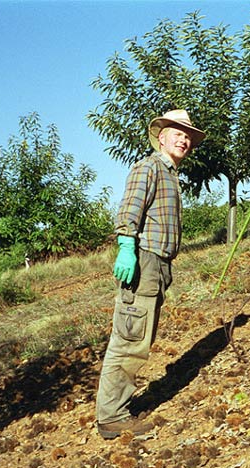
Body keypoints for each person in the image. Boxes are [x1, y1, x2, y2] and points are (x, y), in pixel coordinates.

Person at [95, 109, 206, 439]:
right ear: (161, 137)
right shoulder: (149, 167)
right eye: (178, 133)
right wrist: (126, 246)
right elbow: (130, 209)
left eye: (188, 136)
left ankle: (115, 410)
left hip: (158, 265)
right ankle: (112, 417)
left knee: (138, 339)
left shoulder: (169, 173)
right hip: (144, 262)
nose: (184, 139)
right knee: (129, 340)